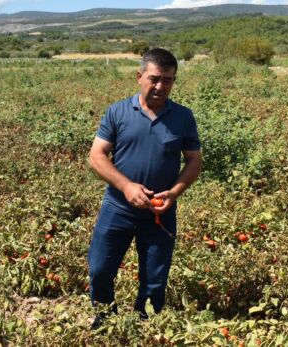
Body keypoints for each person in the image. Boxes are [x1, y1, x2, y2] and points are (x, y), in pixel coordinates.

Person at [87, 48, 202, 328]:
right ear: (139, 76)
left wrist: (174, 192)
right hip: (118, 208)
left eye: (168, 80)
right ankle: (105, 321)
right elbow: (96, 156)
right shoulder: (118, 112)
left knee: (154, 279)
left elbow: (194, 161)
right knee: (100, 269)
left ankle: (144, 328)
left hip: (159, 213)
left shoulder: (183, 117)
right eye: (154, 78)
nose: (161, 86)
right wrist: (126, 187)